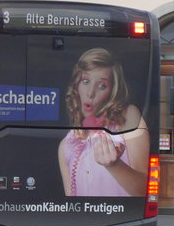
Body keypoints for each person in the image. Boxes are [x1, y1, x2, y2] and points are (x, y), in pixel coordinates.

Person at [57, 48, 148, 197]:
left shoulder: (128, 117)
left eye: (102, 86)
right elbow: (71, 204)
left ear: (112, 91)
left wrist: (114, 165)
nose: (90, 93)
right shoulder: (66, 145)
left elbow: (145, 190)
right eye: (85, 81)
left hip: (124, 218)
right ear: (76, 86)